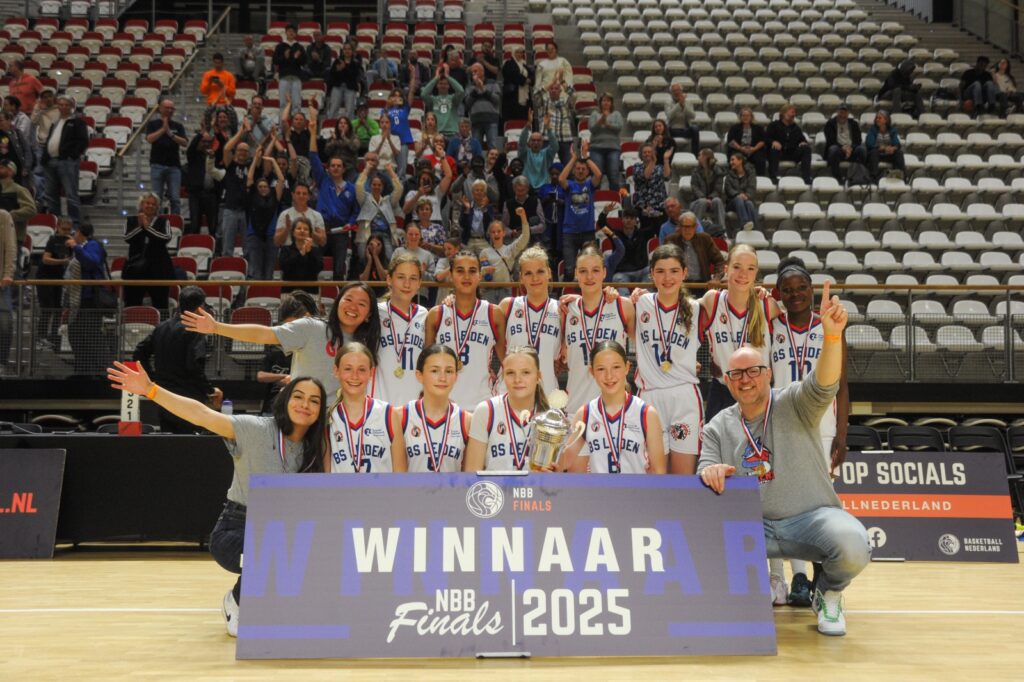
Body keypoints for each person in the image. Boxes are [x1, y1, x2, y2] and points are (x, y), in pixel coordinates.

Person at [106, 361, 327, 637]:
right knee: (276, 552)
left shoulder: (316, 450)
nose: (305, 404)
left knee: (305, 547)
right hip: (236, 529)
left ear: (320, 411)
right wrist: (151, 390)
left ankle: (272, 600)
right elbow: (200, 414)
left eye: (314, 400)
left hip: (279, 533)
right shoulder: (255, 428)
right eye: (298, 396)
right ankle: (237, 601)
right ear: (285, 400)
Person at [697, 281, 868, 637]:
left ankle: (829, 593)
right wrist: (710, 471)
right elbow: (705, 468)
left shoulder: (794, 402)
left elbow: (824, 383)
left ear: (768, 374)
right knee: (698, 536)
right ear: (728, 383)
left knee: (854, 544)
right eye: (737, 374)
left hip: (810, 519)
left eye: (753, 371)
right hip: (753, 527)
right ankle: (741, 594)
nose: (745, 380)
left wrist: (832, 338)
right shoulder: (717, 426)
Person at [766, 256, 851, 607]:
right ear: (780, 294)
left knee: (818, 506)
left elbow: (843, 385)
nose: (796, 294)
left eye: (801, 288)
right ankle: (788, 577)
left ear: (812, 290)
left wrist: (843, 435)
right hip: (781, 424)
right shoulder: (770, 327)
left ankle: (821, 583)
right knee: (778, 501)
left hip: (822, 427)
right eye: (788, 290)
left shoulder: (830, 326)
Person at [184, 282, 381, 396]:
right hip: (306, 421)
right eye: (348, 299)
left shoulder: (366, 345)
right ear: (338, 302)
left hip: (345, 426)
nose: (353, 307)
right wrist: (218, 327)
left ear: (370, 313)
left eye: (362, 304)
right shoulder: (311, 327)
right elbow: (264, 334)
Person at [628, 244, 703, 474]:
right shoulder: (639, 304)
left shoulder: (698, 308)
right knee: (655, 477)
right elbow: (605, 299)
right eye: (660, 271)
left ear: (684, 272)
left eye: (673, 270)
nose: (667, 277)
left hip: (684, 398)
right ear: (651, 274)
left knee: (682, 478)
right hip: (650, 397)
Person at [700, 244, 781, 422]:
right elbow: (679, 309)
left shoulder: (767, 305)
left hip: (759, 393)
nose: (743, 274)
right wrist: (640, 294)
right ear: (726, 269)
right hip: (723, 391)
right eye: (737, 267)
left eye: (750, 269)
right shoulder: (712, 301)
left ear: (756, 273)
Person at [560, 339, 666, 474]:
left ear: (627, 367)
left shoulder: (646, 413)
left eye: (616, 367)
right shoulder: (585, 414)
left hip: (636, 493)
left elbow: (659, 472)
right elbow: (564, 462)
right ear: (592, 371)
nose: (609, 376)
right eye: (601, 369)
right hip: (600, 493)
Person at [424, 250, 506, 413]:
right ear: (451, 275)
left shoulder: (494, 313)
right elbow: (427, 365)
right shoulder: (436, 314)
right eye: (460, 271)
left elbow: (506, 360)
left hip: (483, 405)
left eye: (472, 271)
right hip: (444, 406)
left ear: (480, 275)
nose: (466, 277)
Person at [133, 285, 222, 433]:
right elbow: (193, 365)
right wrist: (209, 390)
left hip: (163, 396)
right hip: (189, 400)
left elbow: (139, 353)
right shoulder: (195, 331)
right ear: (200, 307)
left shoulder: (161, 328)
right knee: (189, 447)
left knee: (169, 446)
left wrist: (152, 379)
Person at [562, 242, 635, 416]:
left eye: (595, 270)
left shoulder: (622, 306)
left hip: (614, 407)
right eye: (583, 271)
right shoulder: (565, 309)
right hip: (575, 406)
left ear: (604, 272)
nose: (589, 277)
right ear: (576, 274)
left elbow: (645, 342)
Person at [463, 346, 552, 471]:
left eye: (525, 372)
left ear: (538, 377)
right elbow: (472, 473)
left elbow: (558, 478)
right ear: (503, 376)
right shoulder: (486, 411)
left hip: (537, 490)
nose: (517, 380)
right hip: (495, 490)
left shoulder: (551, 418)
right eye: (510, 373)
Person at [326, 341, 407, 473]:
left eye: (362, 369)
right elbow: (325, 477)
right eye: (348, 369)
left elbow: (401, 474)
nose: (354, 376)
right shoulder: (328, 418)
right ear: (336, 371)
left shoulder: (388, 414)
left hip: (381, 494)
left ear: (371, 373)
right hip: (340, 494)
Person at [388, 344, 470, 472]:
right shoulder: (399, 417)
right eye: (434, 371)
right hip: (410, 492)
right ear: (419, 375)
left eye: (449, 371)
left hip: (452, 492)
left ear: (456, 377)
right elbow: (397, 477)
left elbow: (469, 477)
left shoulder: (467, 421)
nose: (442, 378)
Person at [497, 246, 562, 396]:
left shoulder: (561, 310)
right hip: (509, 392)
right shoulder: (507, 306)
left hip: (546, 394)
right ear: (521, 277)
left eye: (540, 271)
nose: (535, 278)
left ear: (549, 273)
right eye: (528, 273)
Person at [308, 104, 359, 280]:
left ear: (344, 169)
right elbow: (313, 156)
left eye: (339, 166)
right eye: (333, 166)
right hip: (322, 228)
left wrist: (350, 223)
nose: (335, 168)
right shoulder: (323, 180)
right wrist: (313, 131)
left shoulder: (351, 188)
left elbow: (355, 211)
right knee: (315, 265)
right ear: (328, 168)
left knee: (338, 269)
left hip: (341, 232)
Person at [373, 253, 429, 405]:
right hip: (380, 401)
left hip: (414, 403)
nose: (407, 284)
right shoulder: (374, 313)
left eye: (413, 278)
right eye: (401, 277)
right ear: (389, 279)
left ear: (419, 283)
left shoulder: (425, 315)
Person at [257, 292, 318, 414]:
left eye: (294, 328)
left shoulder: (323, 345)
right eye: (287, 328)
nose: (291, 334)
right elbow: (260, 376)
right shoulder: (277, 352)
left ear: (308, 318)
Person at [64, 222, 110, 374]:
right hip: (79, 301)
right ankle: (84, 371)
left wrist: (75, 247)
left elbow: (91, 262)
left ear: (79, 232)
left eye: (74, 233)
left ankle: (102, 373)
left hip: (90, 300)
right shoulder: (83, 247)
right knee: (77, 336)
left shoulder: (92, 245)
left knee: (92, 337)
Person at [42, 95, 88, 226]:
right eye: (60, 105)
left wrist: (71, 156)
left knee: (71, 194)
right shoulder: (55, 122)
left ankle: (75, 224)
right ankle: (55, 223)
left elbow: (83, 141)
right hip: (50, 161)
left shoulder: (78, 122)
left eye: (66, 105)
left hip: (66, 162)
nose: (63, 107)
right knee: (51, 195)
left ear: (72, 107)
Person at [558, 141, 602, 278]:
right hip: (569, 233)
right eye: (578, 168)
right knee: (570, 270)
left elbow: (599, 175)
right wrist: (574, 158)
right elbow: (561, 178)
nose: (581, 170)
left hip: (587, 232)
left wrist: (585, 157)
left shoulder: (590, 185)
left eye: (583, 169)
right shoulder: (569, 186)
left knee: (589, 269)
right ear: (574, 170)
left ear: (587, 171)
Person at [122, 193, 174, 310]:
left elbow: (165, 238)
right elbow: (127, 238)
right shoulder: (131, 220)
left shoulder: (163, 221)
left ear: (157, 208)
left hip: (159, 270)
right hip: (135, 270)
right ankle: (131, 327)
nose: (150, 206)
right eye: (147, 203)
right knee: (132, 303)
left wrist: (148, 228)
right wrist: (141, 227)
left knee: (161, 304)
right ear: (141, 205)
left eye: (153, 204)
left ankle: (162, 327)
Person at [244, 146, 285, 280]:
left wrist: (273, 161)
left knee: (268, 273)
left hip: (271, 237)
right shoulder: (252, 196)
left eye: (265, 186)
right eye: (260, 186)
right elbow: (250, 177)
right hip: (254, 235)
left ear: (269, 187)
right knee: (255, 272)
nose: (263, 188)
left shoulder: (275, 195)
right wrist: (256, 159)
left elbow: (281, 180)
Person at [143, 99, 188, 217]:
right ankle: (156, 222)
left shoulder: (178, 126)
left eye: (171, 108)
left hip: (174, 167)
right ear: (160, 109)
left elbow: (184, 142)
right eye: (167, 107)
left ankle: (175, 223)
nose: (169, 110)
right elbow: (149, 139)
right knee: (156, 197)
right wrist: (163, 129)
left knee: (175, 198)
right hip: (157, 165)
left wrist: (170, 134)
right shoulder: (153, 124)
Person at [479, 209, 531, 304]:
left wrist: (523, 216)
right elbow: (481, 273)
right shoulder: (484, 252)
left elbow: (525, 237)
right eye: (493, 232)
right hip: (488, 290)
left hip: (506, 289)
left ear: (504, 233)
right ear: (489, 234)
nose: (496, 234)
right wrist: (484, 270)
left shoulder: (510, 249)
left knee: (504, 317)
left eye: (499, 231)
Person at [35, 216, 72, 349]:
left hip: (59, 279)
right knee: (47, 308)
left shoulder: (70, 242)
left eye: (68, 229)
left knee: (58, 309)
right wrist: (62, 262)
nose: (66, 232)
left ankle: (54, 337)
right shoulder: (53, 240)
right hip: (45, 278)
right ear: (57, 228)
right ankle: (41, 337)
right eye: (63, 229)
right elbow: (46, 259)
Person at [665, 210, 725, 292]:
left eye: (691, 226)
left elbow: (720, 262)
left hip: (703, 286)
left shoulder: (705, 239)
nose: (687, 230)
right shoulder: (671, 240)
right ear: (679, 227)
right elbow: (662, 262)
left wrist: (716, 278)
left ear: (696, 227)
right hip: (678, 286)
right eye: (684, 226)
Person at [355, 160, 403, 261]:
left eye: (379, 185)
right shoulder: (364, 198)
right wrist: (367, 169)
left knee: (390, 258)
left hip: (385, 235)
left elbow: (399, 189)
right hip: (367, 235)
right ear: (370, 186)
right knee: (363, 258)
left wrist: (390, 171)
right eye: (374, 184)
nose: (376, 187)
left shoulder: (388, 201)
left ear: (383, 187)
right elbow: (359, 186)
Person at [219, 121, 253, 257]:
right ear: (236, 152)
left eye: (245, 150)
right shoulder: (231, 165)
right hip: (230, 210)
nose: (243, 153)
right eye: (240, 150)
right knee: (227, 248)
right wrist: (241, 132)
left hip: (246, 211)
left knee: (248, 248)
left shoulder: (251, 167)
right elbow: (226, 149)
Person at [630, 143, 672, 237]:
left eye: (649, 152)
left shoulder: (659, 167)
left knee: (662, 234)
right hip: (644, 207)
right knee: (645, 236)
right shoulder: (637, 167)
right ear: (641, 155)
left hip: (659, 206)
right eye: (644, 152)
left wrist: (665, 160)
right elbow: (646, 176)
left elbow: (667, 176)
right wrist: (653, 161)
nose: (647, 154)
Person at [767, 103, 812, 185]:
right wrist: (773, 142)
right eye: (792, 112)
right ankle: (773, 177)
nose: (794, 114)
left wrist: (803, 142)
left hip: (792, 153)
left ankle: (806, 178)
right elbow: (766, 138)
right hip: (779, 153)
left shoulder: (796, 128)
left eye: (794, 113)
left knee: (806, 148)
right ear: (784, 113)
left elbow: (802, 139)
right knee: (774, 149)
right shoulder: (773, 125)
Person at [185, 128, 219, 236]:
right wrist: (200, 134)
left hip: (212, 194)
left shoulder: (215, 157)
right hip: (195, 194)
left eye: (208, 142)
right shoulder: (193, 156)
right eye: (203, 142)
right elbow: (192, 147)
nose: (206, 144)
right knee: (195, 224)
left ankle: (214, 250)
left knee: (213, 226)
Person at [609, 208, 650, 294]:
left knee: (651, 271)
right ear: (622, 220)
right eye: (626, 218)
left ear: (636, 221)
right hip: (623, 272)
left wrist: (646, 215)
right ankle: (627, 303)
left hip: (640, 270)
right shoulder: (615, 234)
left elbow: (656, 227)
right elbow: (602, 224)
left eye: (631, 218)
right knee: (616, 278)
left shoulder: (642, 234)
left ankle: (644, 299)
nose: (628, 220)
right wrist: (604, 213)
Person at [588, 94, 624, 191]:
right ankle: (595, 199)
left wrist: (607, 124)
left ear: (611, 103)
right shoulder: (595, 114)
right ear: (600, 103)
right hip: (596, 149)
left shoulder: (617, 114)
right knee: (596, 175)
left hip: (613, 149)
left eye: (608, 101)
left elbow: (619, 128)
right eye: (604, 100)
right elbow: (592, 128)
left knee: (614, 175)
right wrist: (601, 121)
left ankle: (615, 200)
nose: (606, 102)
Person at [274, 183, 327, 248]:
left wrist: (309, 229)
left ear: (309, 196)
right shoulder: (284, 214)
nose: (301, 196)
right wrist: (287, 228)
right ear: (293, 195)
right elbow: (276, 242)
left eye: (304, 194)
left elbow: (323, 242)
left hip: (311, 253)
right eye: (298, 193)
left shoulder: (317, 215)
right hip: (289, 253)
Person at [533, 80, 574, 164]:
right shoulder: (543, 102)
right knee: (543, 166)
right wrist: (548, 85)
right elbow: (535, 97)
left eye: (556, 88)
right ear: (548, 90)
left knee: (569, 168)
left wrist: (565, 86)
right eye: (551, 88)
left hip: (564, 139)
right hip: (546, 139)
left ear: (560, 91)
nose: (554, 90)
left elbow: (575, 97)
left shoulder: (566, 102)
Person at [278, 216, 322, 293]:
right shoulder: (285, 249)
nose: (302, 231)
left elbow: (318, 268)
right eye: (299, 228)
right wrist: (301, 253)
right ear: (293, 232)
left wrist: (309, 253)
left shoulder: (315, 251)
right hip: (289, 291)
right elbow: (285, 267)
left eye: (306, 229)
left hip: (310, 292)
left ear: (310, 233)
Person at [824, 103, 865, 182]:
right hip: (838, 150)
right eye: (841, 112)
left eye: (845, 112)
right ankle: (837, 178)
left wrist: (850, 148)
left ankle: (857, 177)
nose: (842, 115)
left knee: (861, 150)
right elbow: (830, 141)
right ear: (837, 112)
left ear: (848, 113)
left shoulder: (854, 124)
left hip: (851, 150)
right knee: (833, 149)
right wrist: (843, 148)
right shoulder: (830, 124)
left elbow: (858, 140)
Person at [690, 148, 727, 233]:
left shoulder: (718, 171)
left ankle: (722, 230)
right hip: (697, 201)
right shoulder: (695, 171)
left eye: (699, 155)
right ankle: (695, 230)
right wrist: (704, 198)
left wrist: (710, 198)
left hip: (712, 201)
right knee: (702, 201)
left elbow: (718, 189)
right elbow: (694, 188)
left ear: (704, 157)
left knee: (717, 200)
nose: (698, 157)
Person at [464, 63, 501, 150]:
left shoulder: (493, 83)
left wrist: (483, 89)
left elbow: (497, 100)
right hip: (476, 120)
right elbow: (467, 103)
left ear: (482, 72)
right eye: (472, 72)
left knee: (493, 146)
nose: (473, 73)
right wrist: (477, 89)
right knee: (476, 148)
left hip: (491, 120)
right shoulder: (469, 86)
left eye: (475, 71)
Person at [422, 64, 465, 137]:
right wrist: (436, 78)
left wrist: (447, 76)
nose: (443, 86)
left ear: (449, 86)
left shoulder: (453, 99)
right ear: (437, 85)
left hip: (453, 133)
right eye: (440, 83)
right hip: (437, 133)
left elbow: (461, 91)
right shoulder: (433, 100)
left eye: (445, 84)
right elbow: (423, 94)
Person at [384, 82, 416, 179]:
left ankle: (400, 190)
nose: (396, 98)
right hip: (390, 141)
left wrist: (413, 78)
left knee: (402, 170)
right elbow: (383, 123)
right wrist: (387, 106)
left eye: (399, 96)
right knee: (389, 168)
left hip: (402, 141)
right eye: (394, 96)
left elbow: (411, 93)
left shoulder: (405, 109)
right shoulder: (385, 110)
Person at [458, 177, 498, 254]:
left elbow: (490, 225)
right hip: (468, 240)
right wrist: (467, 209)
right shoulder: (467, 205)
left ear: (485, 193)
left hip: (483, 240)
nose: (479, 192)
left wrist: (484, 209)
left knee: (485, 263)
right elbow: (462, 224)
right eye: (477, 190)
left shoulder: (489, 207)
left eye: (482, 190)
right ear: (472, 192)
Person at [865, 109, 906, 182]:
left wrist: (893, 148)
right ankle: (873, 178)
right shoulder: (872, 129)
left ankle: (902, 176)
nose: (877, 119)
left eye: (879, 118)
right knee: (873, 152)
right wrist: (883, 148)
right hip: (877, 153)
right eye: (876, 118)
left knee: (899, 153)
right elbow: (870, 144)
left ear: (886, 120)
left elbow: (897, 144)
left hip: (888, 154)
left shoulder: (892, 130)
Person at [326, 43, 363, 120]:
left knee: (350, 109)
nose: (347, 51)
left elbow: (355, 75)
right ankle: (330, 124)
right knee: (334, 107)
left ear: (352, 51)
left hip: (350, 87)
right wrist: (337, 70)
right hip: (338, 86)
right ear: (343, 51)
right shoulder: (338, 60)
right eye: (345, 49)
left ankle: (349, 127)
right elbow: (331, 74)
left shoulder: (355, 62)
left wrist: (344, 67)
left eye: (349, 49)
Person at [273, 25, 306, 109]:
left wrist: (297, 58)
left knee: (296, 103)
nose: (291, 33)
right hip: (284, 77)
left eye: (293, 31)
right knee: (283, 103)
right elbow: (275, 61)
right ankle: (282, 122)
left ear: (295, 34)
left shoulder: (299, 47)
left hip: (296, 77)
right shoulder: (280, 46)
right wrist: (285, 57)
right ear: (286, 33)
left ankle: (296, 121)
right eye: (289, 31)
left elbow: (304, 62)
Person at [727, 107, 767, 176]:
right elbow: (731, 141)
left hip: (754, 149)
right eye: (743, 115)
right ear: (740, 117)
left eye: (747, 115)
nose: (745, 117)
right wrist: (741, 148)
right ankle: (733, 177)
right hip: (738, 149)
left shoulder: (758, 128)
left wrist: (754, 149)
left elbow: (762, 141)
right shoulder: (734, 127)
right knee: (735, 158)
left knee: (760, 160)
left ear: (751, 117)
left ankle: (760, 178)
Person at [724, 152, 758, 233]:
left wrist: (747, 195)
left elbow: (752, 188)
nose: (730, 162)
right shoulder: (729, 176)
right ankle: (744, 224)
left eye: (733, 160)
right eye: (730, 160)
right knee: (739, 199)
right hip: (732, 202)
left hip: (746, 199)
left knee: (749, 203)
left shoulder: (750, 174)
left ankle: (754, 229)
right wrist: (738, 194)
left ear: (740, 161)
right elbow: (729, 190)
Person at [663, 84, 700, 156]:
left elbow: (693, 116)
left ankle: (695, 155)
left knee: (695, 128)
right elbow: (669, 116)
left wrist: (684, 106)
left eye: (678, 90)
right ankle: (668, 154)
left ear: (681, 91)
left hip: (685, 130)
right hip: (672, 130)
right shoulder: (667, 103)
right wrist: (679, 104)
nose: (676, 92)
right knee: (665, 128)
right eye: (674, 91)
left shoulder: (688, 102)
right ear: (671, 93)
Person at [502, 45, 533, 125]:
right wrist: (525, 80)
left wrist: (528, 80)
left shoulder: (524, 65)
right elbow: (512, 75)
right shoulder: (508, 64)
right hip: (512, 98)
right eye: (517, 52)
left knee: (524, 119)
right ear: (513, 53)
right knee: (513, 120)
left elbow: (532, 77)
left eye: (521, 53)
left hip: (524, 97)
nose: (519, 54)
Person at [322, 117, 360, 181]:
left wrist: (344, 138)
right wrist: (333, 141)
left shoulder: (354, 137)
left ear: (349, 126)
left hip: (349, 167)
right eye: (340, 123)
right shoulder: (333, 137)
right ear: (337, 126)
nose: (343, 125)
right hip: (335, 167)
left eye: (345, 123)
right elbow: (327, 152)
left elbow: (355, 147)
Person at [0, 209, 14, 372]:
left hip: (1, 283)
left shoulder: (3, 216)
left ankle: (1, 362)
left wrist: (8, 273)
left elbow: (10, 247)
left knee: (5, 324)